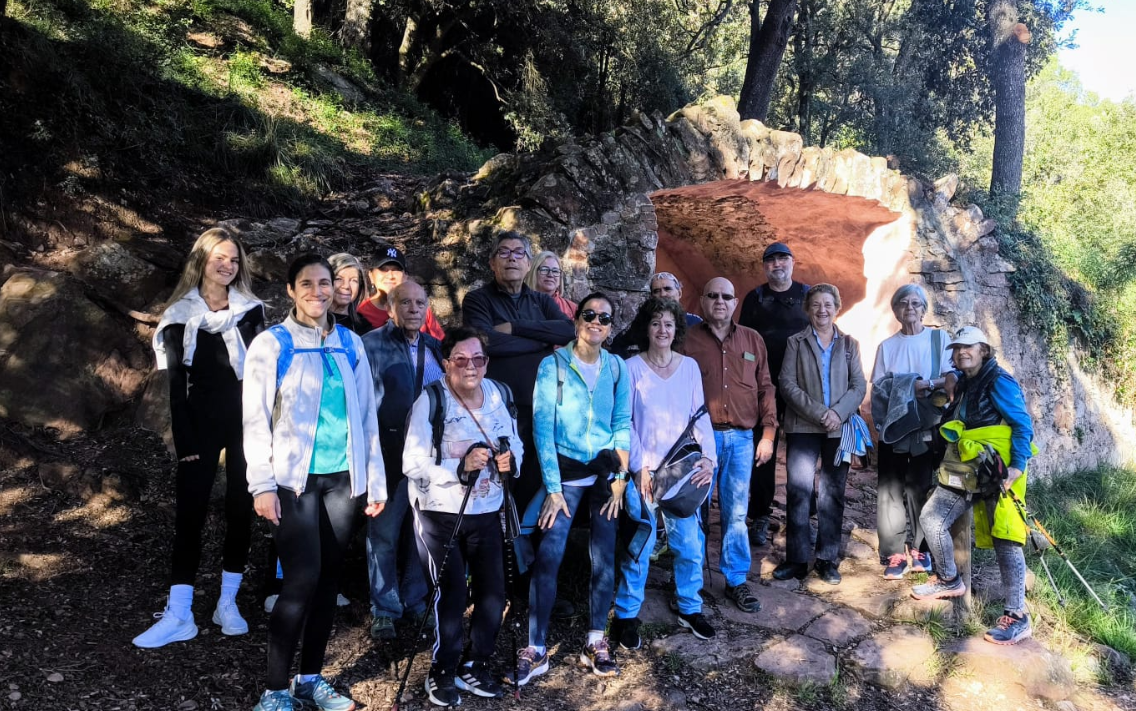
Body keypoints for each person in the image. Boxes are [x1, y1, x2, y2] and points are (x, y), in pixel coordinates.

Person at [243, 254, 387, 711]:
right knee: (301, 580)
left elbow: (367, 415)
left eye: (324, 283)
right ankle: (274, 691)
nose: (317, 291)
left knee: (327, 581)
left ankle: (309, 680)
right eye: (306, 283)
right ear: (290, 290)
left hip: (342, 480)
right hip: (293, 483)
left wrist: (376, 482)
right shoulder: (272, 344)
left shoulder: (350, 342)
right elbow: (254, 420)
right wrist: (262, 485)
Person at [135, 228, 265, 649]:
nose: (227, 265)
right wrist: (185, 442)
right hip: (200, 425)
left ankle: (227, 602)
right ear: (201, 260)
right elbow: (176, 386)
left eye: (234, 259)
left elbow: (263, 375)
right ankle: (179, 612)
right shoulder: (180, 314)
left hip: (246, 424)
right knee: (189, 515)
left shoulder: (250, 311)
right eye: (219, 258)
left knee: (240, 511)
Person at [511, 293, 632, 686]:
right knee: (550, 554)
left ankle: (596, 640)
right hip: (564, 472)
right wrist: (553, 488)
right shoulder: (553, 365)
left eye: (604, 318)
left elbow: (622, 423)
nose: (596, 322)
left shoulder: (617, 368)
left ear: (611, 327)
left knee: (605, 556)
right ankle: (536, 647)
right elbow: (542, 430)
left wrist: (620, 479)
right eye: (589, 315)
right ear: (577, 320)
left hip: (605, 472)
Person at [403, 326, 523, 706]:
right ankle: (442, 669)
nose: (470, 366)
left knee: (494, 592)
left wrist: (510, 462)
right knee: (451, 593)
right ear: (446, 363)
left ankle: (475, 664)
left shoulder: (500, 395)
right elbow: (412, 462)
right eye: (460, 359)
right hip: (439, 513)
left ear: (486, 363)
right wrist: (458, 467)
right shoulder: (431, 400)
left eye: (478, 359)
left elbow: (516, 443)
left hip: (487, 511)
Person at [913, 327, 1036, 646]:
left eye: (968, 347)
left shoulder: (999, 380)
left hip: (997, 468)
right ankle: (949, 579)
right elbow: (958, 390)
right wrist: (950, 381)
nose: (961, 352)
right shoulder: (966, 379)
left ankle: (1017, 616)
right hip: (967, 465)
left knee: (1005, 538)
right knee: (932, 518)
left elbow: (1023, 424)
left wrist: (1016, 466)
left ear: (983, 350)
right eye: (956, 349)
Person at [612, 297, 718, 649]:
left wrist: (708, 458)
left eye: (669, 324)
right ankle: (627, 614)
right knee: (640, 547)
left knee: (688, 545)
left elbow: (699, 415)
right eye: (656, 323)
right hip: (644, 474)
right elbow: (624, 422)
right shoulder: (630, 368)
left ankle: (690, 607)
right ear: (647, 328)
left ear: (677, 330)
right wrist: (638, 467)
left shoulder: (689, 368)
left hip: (681, 473)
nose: (662, 330)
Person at [461, 232, 575, 514]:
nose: (511, 258)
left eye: (518, 253)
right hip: (497, 410)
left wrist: (515, 327)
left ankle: (525, 535)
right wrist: (541, 340)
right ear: (492, 263)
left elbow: (569, 330)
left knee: (534, 478)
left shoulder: (542, 302)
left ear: (528, 264)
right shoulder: (477, 300)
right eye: (504, 252)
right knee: (498, 477)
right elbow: (485, 342)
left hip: (539, 407)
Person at [684, 277, 775, 614]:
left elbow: (765, 387)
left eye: (726, 296)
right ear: (703, 302)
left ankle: (736, 579)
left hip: (741, 438)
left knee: (736, 512)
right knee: (696, 510)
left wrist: (768, 434)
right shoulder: (687, 340)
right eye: (713, 295)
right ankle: (690, 581)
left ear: (735, 302)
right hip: (700, 440)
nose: (720, 301)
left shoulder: (752, 339)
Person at [361, 280, 443, 640]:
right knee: (383, 534)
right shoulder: (370, 345)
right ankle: (384, 607)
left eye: (420, 303)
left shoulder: (435, 348)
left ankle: (414, 599)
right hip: (387, 455)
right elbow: (362, 404)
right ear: (390, 307)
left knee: (420, 533)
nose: (413, 309)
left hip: (427, 456)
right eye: (405, 302)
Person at [774, 284, 867, 585]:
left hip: (838, 429)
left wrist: (837, 413)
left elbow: (859, 385)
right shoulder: (795, 343)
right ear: (807, 309)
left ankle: (827, 559)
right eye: (815, 304)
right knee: (799, 491)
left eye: (828, 304)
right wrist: (819, 413)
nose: (822, 310)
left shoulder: (850, 344)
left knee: (833, 493)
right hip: (803, 427)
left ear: (837, 308)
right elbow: (787, 384)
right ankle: (797, 559)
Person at [870, 284, 956, 579]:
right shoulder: (887, 346)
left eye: (915, 303)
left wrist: (924, 384)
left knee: (920, 487)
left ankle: (921, 549)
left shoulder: (938, 339)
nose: (910, 308)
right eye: (903, 303)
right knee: (890, 491)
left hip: (926, 425)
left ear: (924, 309)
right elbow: (879, 388)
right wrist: (909, 386)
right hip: (895, 426)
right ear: (895, 310)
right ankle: (893, 553)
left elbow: (950, 378)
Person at [738, 242, 810, 546]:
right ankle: (760, 515)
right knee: (763, 450)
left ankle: (801, 517)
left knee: (802, 451)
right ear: (764, 266)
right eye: (770, 260)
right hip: (763, 386)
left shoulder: (806, 295)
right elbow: (742, 342)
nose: (777, 264)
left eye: (782, 259)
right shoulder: (755, 298)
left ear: (793, 262)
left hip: (800, 385)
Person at [358, 244, 445, 339]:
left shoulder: (419, 309)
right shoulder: (360, 313)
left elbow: (441, 344)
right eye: (383, 269)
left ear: (405, 276)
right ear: (371, 276)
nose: (390, 276)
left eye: (396, 270)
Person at [610, 272, 701, 360]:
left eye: (667, 289)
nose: (662, 294)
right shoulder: (643, 322)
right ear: (651, 296)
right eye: (656, 291)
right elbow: (619, 344)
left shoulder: (695, 322)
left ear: (679, 293)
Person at [328, 253, 373, 335]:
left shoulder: (364, 328)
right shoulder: (314, 321)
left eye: (354, 280)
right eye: (339, 279)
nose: (346, 286)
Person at [525, 250, 576, 319]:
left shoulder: (572, 309)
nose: (550, 275)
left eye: (555, 271)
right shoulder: (521, 305)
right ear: (533, 273)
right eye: (544, 270)